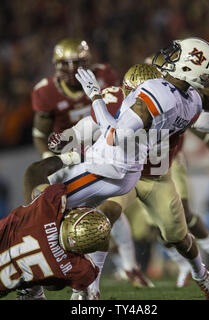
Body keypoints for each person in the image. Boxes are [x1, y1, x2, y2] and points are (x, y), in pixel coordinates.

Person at [25, 37, 209, 299]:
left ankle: (201, 274)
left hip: (151, 175)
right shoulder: (184, 98)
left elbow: (115, 133)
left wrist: (94, 96)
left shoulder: (159, 96)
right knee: (104, 217)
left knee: (177, 237)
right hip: (129, 173)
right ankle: (91, 288)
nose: (129, 95)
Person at [30, 37, 150, 294]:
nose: (73, 69)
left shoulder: (108, 82)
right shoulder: (47, 92)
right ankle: (88, 281)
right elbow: (43, 133)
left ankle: (64, 280)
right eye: (67, 64)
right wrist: (52, 153)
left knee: (49, 210)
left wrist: (95, 96)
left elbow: (107, 127)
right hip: (78, 154)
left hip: (106, 158)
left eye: (78, 63)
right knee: (88, 216)